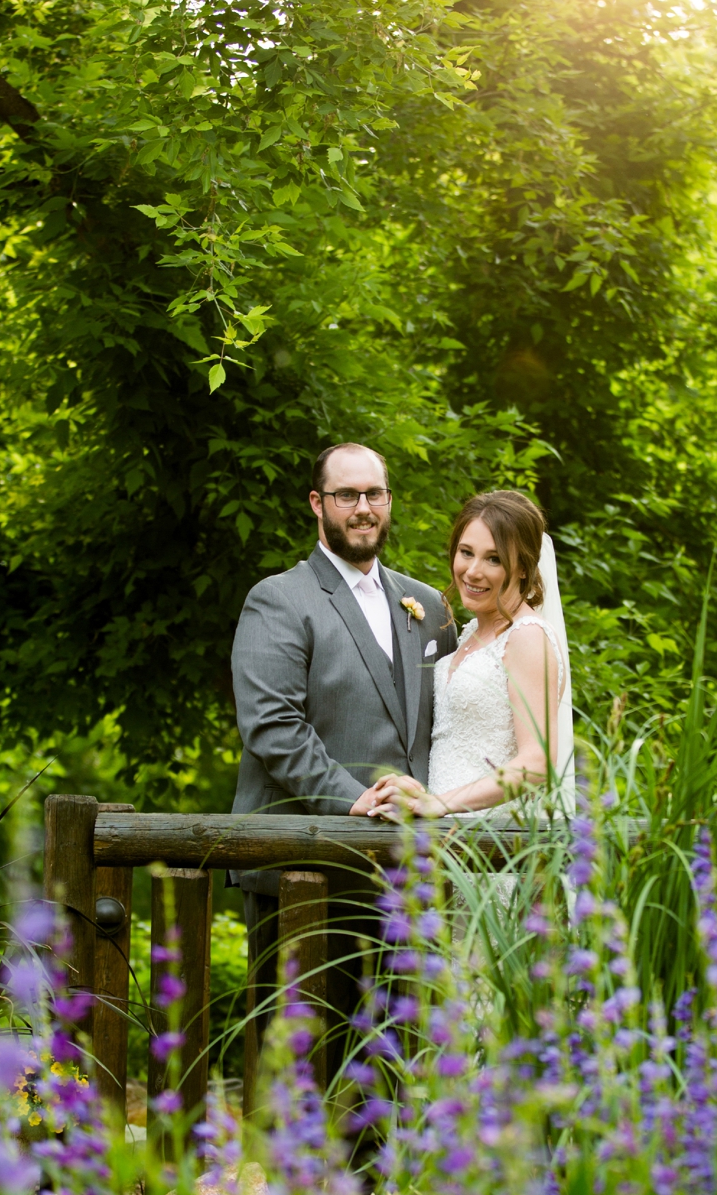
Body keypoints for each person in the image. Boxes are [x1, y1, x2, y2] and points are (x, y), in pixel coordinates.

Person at [228, 443, 460, 1078]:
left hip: (405, 876)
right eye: (347, 495)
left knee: (394, 1059)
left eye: (375, 494)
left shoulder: (429, 607)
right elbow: (272, 727)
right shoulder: (278, 600)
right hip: (306, 866)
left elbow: (447, 726)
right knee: (303, 1060)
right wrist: (350, 799)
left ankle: (380, 1181)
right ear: (317, 504)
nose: (363, 508)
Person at [371, 489, 573, 819]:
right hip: (444, 841)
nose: (473, 571)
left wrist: (440, 804)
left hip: (492, 845)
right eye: (466, 552)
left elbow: (537, 764)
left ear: (523, 567)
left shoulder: (527, 637)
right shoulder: (469, 634)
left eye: (494, 559)